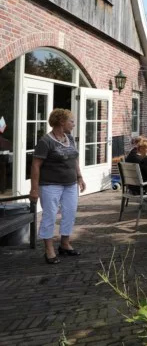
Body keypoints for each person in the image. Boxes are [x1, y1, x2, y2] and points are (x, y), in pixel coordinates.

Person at [29, 109, 86, 264]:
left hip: (70, 184)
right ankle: (49, 250)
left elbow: (74, 159)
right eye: (71, 121)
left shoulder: (70, 138)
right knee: (50, 215)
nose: (73, 124)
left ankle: (65, 244)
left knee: (70, 213)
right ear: (62, 122)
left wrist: (79, 176)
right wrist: (34, 189)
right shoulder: (45, 141)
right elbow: (35, 166)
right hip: (50, 185)